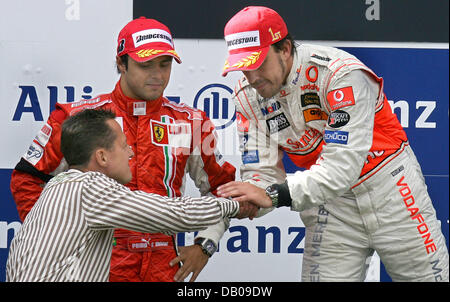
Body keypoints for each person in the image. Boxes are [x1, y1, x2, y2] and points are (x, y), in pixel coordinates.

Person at [215, 6, 449, 282]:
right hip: (329, 205)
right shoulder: (246, 98)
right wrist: (251, 199)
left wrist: (274, 195)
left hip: (392, 191)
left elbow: (341, 168)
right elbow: (263, 175)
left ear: (285, 49)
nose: (252, 79)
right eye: (243, 69)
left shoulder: (340, 74)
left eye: (258, 64)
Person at [9, 17, 246, 282]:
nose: (157, 75)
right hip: (99, 262)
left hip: (164, 266)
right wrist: (55, 239)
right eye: (146, 65)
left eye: (165, 64)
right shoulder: (77, 118)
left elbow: (224, 188)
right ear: (121, 63)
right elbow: (26, 179)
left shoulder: (191, 122)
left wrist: (206, 244)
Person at [6, 109, 245, 282]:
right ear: (101, 157)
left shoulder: (56, 187)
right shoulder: (92, 187)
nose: (131, 152)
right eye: (123, 146)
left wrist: (205, 244)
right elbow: (173, 214)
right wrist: (239, 204)